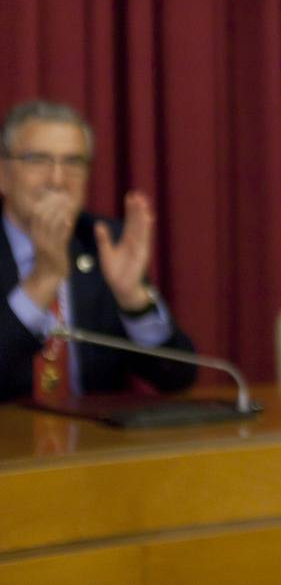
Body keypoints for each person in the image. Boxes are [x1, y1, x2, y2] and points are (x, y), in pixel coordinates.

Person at [0, 100, 197, 402]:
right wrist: (42, 281)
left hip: (92, 443)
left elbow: (178, 377)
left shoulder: (103, 242)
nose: (57, 180)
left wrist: (134, 302)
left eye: (73, 163)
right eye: (38, 160)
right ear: (3, 173)